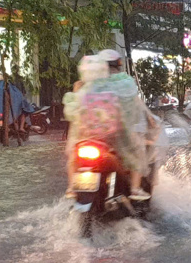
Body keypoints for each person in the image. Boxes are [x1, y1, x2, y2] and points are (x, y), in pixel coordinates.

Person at [64, 51, 160, 201]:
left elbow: (73, 112)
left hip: (85, 136)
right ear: (118, 65)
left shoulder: (82, 86)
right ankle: (135, 189)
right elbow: (134, 111)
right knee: (138, 150)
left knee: (72, 155)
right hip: (114, 135)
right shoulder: (124, 84)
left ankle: (71, 187)